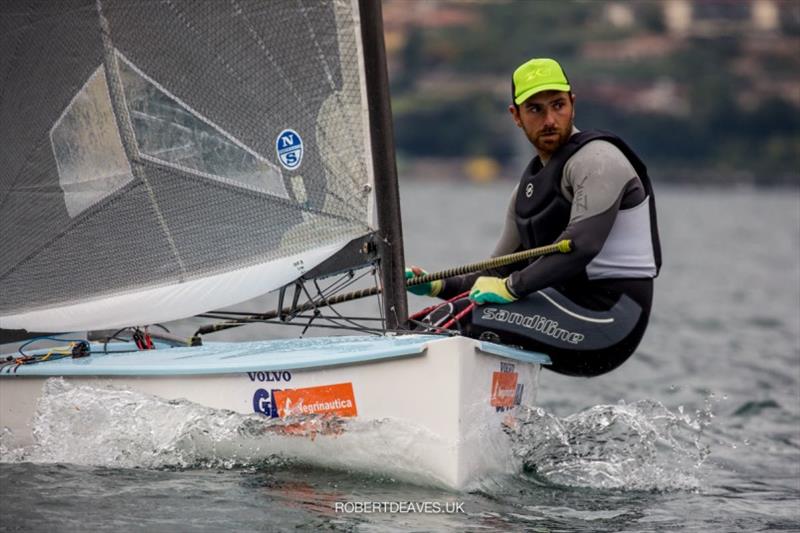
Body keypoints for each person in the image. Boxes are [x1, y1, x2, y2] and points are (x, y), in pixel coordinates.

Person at [406, 57, 661, 377]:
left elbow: (581, 246)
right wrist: (437, 284)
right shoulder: (525, 193)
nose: (550, 119)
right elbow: (495, 272)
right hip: (560, 312)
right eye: (536, 109)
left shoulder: (599, 160)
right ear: (516, 116)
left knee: (458, 320)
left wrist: (513, 288)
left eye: (558, 105)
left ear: (573, 104)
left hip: (610, 323)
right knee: (419, 324)